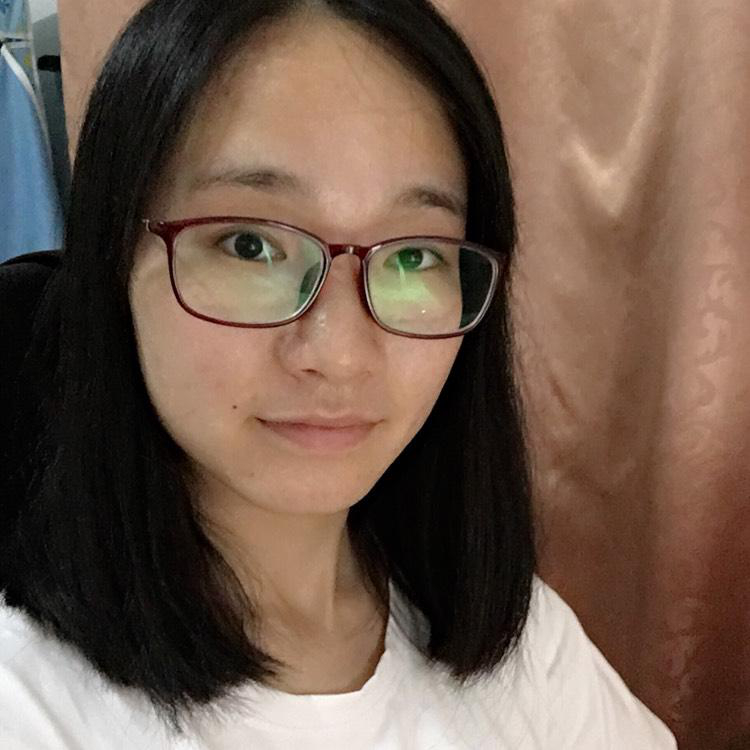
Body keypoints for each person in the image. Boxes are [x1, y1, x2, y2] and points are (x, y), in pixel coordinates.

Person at [0, 0, 678, 747]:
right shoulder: (29, 703)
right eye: (251, 245)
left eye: (414, 255)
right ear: (112, 259)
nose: (341, 354)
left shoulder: (515, 639)